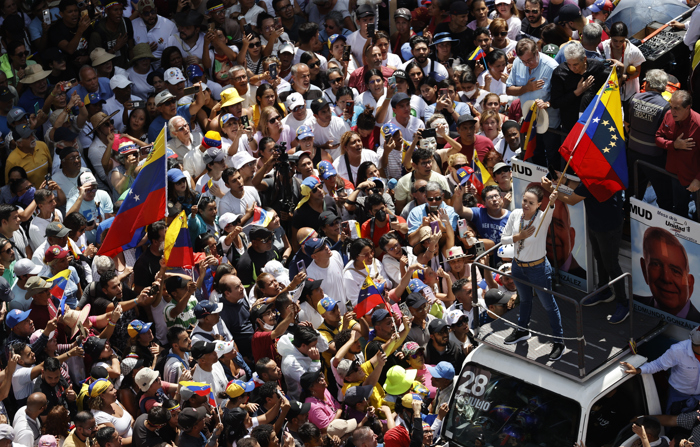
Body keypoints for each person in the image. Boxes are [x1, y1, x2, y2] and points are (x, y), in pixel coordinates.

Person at [499, 185, 564, 361]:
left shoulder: (542, 218)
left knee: (548, 304)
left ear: (538, 205)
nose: (526, 205)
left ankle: (559, 341)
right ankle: (522, 330)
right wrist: (518, 237)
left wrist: (552, 202)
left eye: (531, 202)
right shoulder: (515, 214)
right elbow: (502, 239)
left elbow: (550, 209)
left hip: (538, 268)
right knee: (525, 299)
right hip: (518, 266)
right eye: (525, 201)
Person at [505, 38, 560, 168]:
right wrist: (526, 88)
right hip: (529, 121)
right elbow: (508, 90)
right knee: (535, 156)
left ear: (537, 52)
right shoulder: (519, 62)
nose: (527, 64)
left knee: (552, 158)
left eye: (530, 60)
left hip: (549, 124)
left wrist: (547, 103)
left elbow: (560, 97)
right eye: (524, 61)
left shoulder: (551, 67)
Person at [621, 326, 700, 414]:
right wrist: (638, 370)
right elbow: (658, 364)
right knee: (672, 418)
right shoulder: (678, 351)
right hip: (678, 395)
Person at [632, 226, 698, 321]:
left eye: (675, 271)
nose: (666, 278)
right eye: (656, 264)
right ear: (644, 269)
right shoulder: (635, 304)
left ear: (690, 284)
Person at [654, 90, 700, 221]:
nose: (672, 111)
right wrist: (674, 145)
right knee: (680, 209)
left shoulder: (698, 125)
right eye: (671, 107)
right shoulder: (668, 115)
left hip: (694, 178)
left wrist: (698, 179)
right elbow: (658, 138)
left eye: (677, 108)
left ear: (688, 108)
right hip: (676, 176)